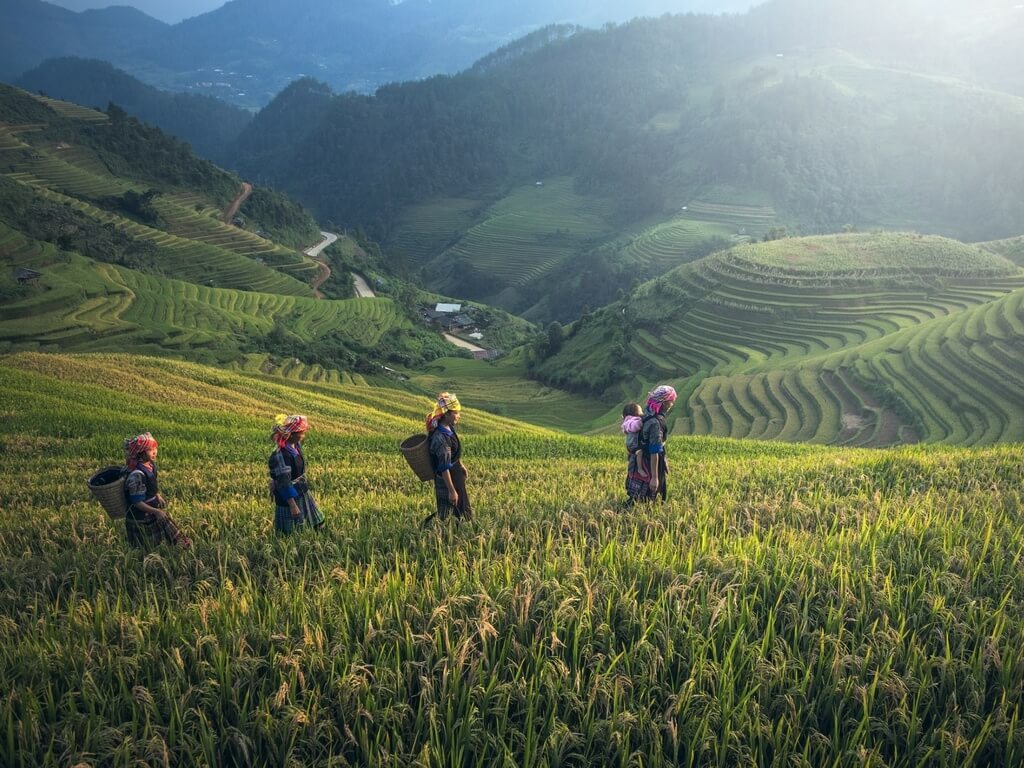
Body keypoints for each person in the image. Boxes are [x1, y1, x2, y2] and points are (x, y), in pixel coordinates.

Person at [122, 432, 192, 550]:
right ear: (141, 453)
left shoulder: (151, 465)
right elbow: (137, 502)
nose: (154, 452)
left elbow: (151, 486)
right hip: (140, 516)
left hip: (151, 509)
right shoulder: (136, 475)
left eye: (155, 448)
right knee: (146, 546)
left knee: (165, 531)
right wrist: (156, 511)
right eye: (150, 449)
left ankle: (179, 545)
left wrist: (157, 496)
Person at [269, 414, 325, 534]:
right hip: (288, 496)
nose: (303, 436)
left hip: (301, 490)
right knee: (289, 530)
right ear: (291, 435)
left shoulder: (295, 446)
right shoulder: (280, 455)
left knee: (318, 522)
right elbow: (284, 482)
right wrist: (292, 505)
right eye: (301, 433)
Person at [424, 392, 472, 525]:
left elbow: (453, 454)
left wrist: (460, 465)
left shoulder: (449, 427)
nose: (459, 416)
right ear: (447, 414)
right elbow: (444, 467)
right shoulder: (440, 438)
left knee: (462, 509)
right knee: (448, 511)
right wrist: (452, 491)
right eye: (456, 413)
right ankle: (445, 536)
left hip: (455, 473)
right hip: (448, 478)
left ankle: (458, 533)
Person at [625, 385, 677, 504]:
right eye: (671, 401)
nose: (672, 405)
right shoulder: (655, 423)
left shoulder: (647, 413)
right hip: (650, 463)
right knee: (647, 499)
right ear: (663, 403)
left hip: (641, 460)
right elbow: (654, 450)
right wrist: (654, 478)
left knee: (638, 497)